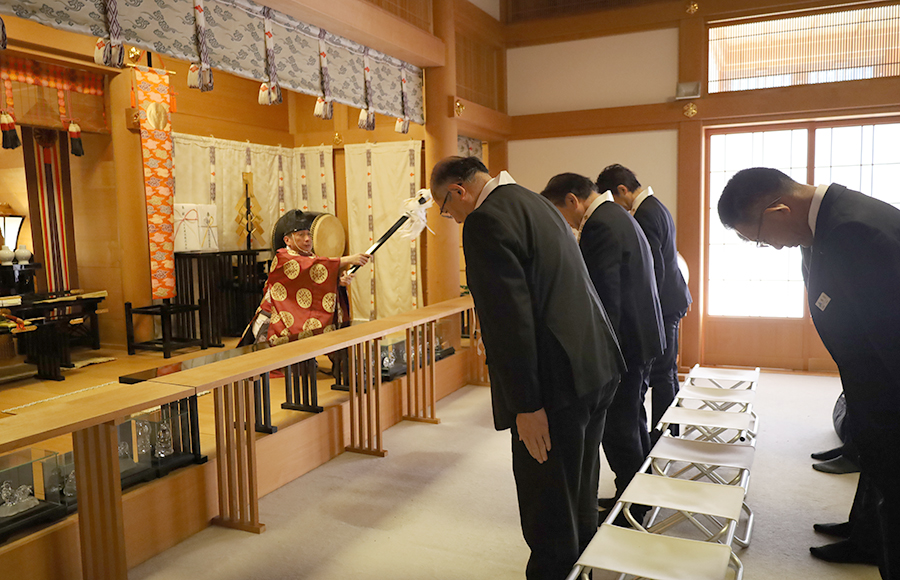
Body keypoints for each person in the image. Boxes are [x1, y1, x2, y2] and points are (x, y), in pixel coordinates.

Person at [431, 156, 624, 580]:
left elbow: (509, 322)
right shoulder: (535, 202)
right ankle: (582, 570)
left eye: (446, 208)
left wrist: (527, 405)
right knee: (580, 490)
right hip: (595, 364)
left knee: (548, 508)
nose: (452, 218)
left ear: (459, 192)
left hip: (556, 382)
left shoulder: (484, 221)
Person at [717, 167, 900, 579]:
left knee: (894, 489)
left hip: (889, 390)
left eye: (761, 238)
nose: (770, 247)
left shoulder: (855, 230)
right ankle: (865, 537)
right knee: (875, 470)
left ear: (778, 211)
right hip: (867, 382)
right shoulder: (823, 225)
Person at [540, 173, 664, 515]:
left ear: (572, 200)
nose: (565, 223)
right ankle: (638, 494)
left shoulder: (600, 225)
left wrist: (601, 353)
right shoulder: (617, 214)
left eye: (559, 213)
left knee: (619, 428)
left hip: (626, 342)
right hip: (641, 335)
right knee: (632, 420)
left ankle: (633, 508)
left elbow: (606, 298)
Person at [600, 164, 692, 442]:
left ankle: (664, 435)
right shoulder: (656, 205)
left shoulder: (645, 213)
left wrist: (646, 310)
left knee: (663, 373)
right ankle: (670, 430)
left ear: (622, 190)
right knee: (668, 371)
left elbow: (653, 269)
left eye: (614, 199)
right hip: (673, 296)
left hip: (664, 303)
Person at [242, 209, 370, 345]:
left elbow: (314, 281)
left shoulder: (311, 258)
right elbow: (308, 266)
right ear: (287, 240)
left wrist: (338, 281)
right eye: (301, 235)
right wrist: (348, 259)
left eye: (309, 234)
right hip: (273, 318)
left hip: (294, 317)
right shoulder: (282, 258)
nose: (307, 239)